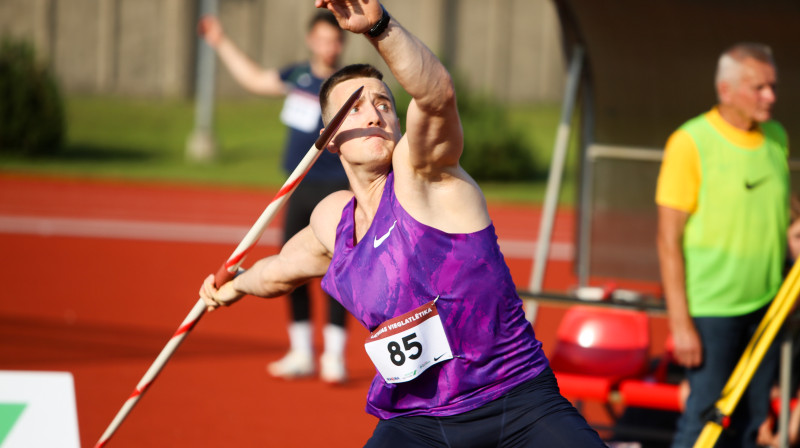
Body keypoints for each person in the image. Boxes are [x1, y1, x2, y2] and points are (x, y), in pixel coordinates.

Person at [200, 1, 607, 446]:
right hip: (418, 422)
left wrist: (379, 26)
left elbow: (436, 95)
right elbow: (277, 272)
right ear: (330, 138)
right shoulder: (334, 221)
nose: (374, 114)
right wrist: (233, 286)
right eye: (353, 109)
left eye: (383, 105)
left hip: (517, 402)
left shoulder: (424, 176)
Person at [198, 11, 351, 383]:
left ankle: (334, 356)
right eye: (322, 39)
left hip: (337, 190)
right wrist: (220, 41)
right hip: (298, 189)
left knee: (336, 270)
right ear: (311, 40)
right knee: (290, 265)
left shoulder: (347, 84)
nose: (328, 46)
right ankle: (301, 352)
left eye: (335, 40)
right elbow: (253, 79)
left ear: (342, 44)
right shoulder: (297, 77)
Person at [655, 42, 789, 448]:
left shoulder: (777, 138)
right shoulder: (690, 142)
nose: (771, 96)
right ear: (726, 90)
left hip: (767, 308)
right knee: (703, 423)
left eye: (772, 86)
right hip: (712, 312)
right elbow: (667, 239)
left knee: (752, 424)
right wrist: (681, 323)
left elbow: (771, 217)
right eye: (759, 87)